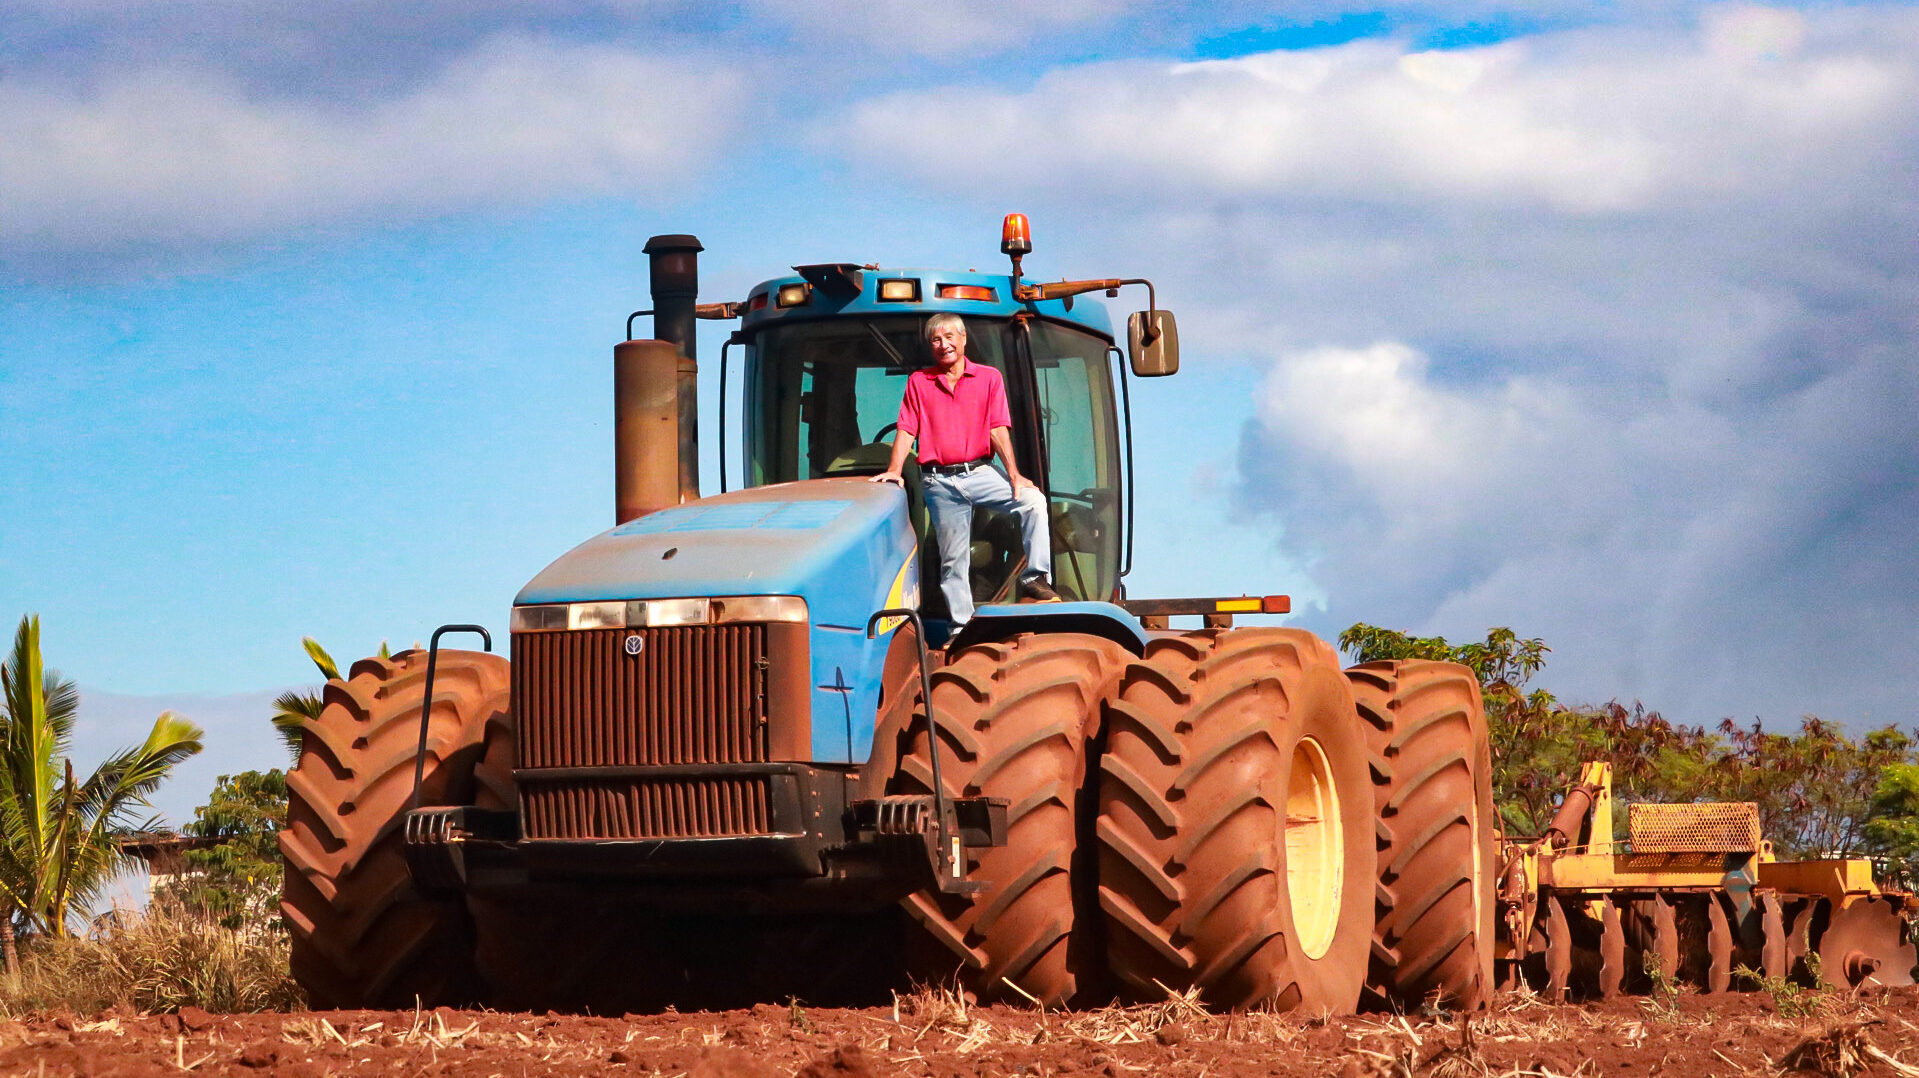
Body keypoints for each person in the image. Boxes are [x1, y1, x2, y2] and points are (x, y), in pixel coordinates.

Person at [871, 313, 1059, 625]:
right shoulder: (920, 382)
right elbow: (906, 429)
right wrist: (894, 468)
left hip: (981, 473)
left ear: (963, 339)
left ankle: (1035, 578)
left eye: (948, 337)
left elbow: (998, 429)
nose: (943, 344)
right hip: (939, 481)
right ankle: (961, 626)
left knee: (1033, 501)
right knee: (953, 559)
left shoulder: (988, 378)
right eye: (935, 340)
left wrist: (1013, 473)